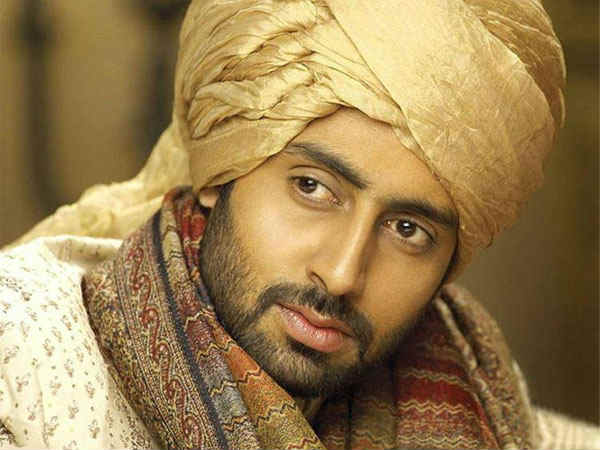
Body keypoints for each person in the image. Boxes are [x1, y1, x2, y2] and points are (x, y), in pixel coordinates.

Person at [0, 0, 598, 448]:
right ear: (219, 171)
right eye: (312, 188)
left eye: (408, 230)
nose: (341, 275)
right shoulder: (22, 363)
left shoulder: (477, 386)